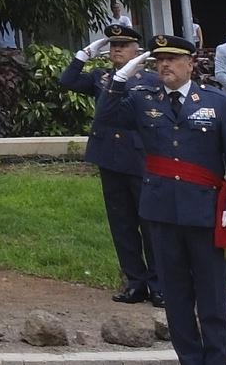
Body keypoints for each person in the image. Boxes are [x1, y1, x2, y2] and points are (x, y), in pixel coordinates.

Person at [94, 38, 226, 365]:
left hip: (205, 211)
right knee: (176, 295)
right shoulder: (143, 101)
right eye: (159, 60)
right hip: (162, 211)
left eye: (173, 60)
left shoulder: (216, 103)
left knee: (211, 293)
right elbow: (106, 117)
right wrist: (120, 78)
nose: (165, 66)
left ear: (191, 64)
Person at [57, 26, 155, 305]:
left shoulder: (150, 79)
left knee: (148, 222)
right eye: (112, 45)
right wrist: (84, 54)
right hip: (109, 157)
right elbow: (67, 81)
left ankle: (158, 282)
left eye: (123, 45)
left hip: (139, 158)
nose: (116, 49)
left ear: (137, 49)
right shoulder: (101, 77)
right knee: (121, 224)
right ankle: (134, 282)